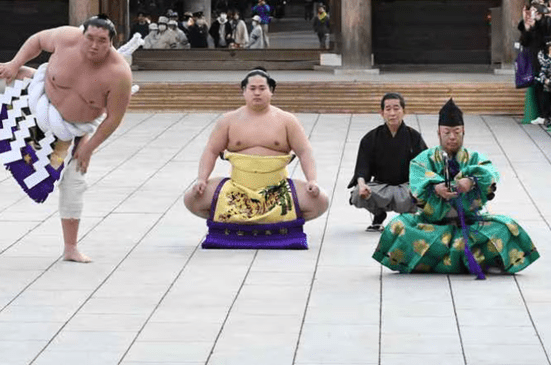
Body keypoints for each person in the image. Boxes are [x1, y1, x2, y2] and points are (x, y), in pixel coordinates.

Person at [0, 16, 135, 263]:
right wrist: (14, 63)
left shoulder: (118, 75)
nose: (94, 45)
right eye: (90, 38)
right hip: (37, 97)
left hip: (71, 129)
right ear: (81, 34)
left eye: (101, 41)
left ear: (111, 42)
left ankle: (71, 248)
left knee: (74, 181)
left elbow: (114, 118)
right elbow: (38, 40)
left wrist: (89, 148)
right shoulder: (66, 37)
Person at [373, 99, 540, 276]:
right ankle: (472, 260)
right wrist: (435, 187)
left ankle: (437, 261)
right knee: (398, 225)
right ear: (439, 133)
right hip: (432, 225)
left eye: (457, 132)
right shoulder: (423, 159)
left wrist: (472, 180)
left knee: (506, 227)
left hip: (469, 223)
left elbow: (489, 173)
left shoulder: (474, 158)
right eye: (447, 132)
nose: (452, 137)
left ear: (463, 132)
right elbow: (417, 181)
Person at [184, 68, 329, 248]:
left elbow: (304, 151)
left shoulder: (287, 120)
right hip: (237, 188)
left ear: (271, 91)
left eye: (262, 88)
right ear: (243, 91)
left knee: (320, 200)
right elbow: (211, 151)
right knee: (192, 198)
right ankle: (246, 223)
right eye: (252, 88)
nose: (257, 93)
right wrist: (202, 179)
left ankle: (267, 222)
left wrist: (312, 180)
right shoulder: (228, 120)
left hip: (277, 189)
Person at [348, 93, 427, 232]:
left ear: (404, 111)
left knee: (424, 193)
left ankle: (408, 218)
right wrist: (361, 184)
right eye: (388, 109)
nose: (392, 113)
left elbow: (424, 166)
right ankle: (378, 214)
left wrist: (419, 188)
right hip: (381, 188)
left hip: (406, 188)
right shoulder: (371, 138)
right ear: (382, 113)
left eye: (396, 108)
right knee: (356, 195)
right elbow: (362, 166)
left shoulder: (414, 137)